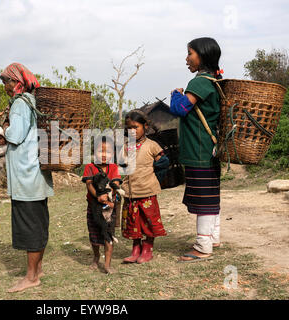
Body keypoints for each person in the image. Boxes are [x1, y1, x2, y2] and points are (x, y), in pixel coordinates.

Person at [0, 62, 54, 293]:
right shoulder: (32, 101)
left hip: (27, 176)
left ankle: (31, 277)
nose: (5, 86)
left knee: (30, 227)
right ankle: (37, 270)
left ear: (17, 82)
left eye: (7, 81)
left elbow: (16, 135)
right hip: (36, 175)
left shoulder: (20, 103)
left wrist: (4, 125)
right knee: (38, 224)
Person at [168, 37, 223, 263]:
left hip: (199, 151)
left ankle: (203, 246)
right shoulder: (215, 80)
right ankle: (213, 238)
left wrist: (175, 94)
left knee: (203, 199)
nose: (187, 58)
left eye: (190, 53)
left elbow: (180, 109)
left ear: (202, 55)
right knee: (209, 196)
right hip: (209, 150)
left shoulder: (199, 82)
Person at [120, 110, 167, 264]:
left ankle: (147, 249)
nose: (132, 131)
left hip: (147, 191)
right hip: (130, 193)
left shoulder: (152, 145)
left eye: (136, 127)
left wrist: (155, 177)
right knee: (133, 222)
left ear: (145, 126)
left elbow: (163, 162)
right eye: (129, 128)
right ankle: (136, 248)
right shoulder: (126, 147)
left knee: (148, 221)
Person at [82, 137, 122, 274]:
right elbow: (89, 185)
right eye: (100, 151)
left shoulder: (114, 167)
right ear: (94, 152)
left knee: (108, 235)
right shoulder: (90, 167)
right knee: (94, 234)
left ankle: (107, 264)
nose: (104, 155)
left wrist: (109, 193)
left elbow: (116, 183)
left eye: (108, 152)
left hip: (109, 208)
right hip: (94, 207)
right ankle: (96, 256)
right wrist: (98, 196)